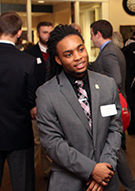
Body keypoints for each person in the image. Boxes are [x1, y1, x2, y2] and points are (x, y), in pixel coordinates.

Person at [36, 24, 123, 191]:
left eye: (80, 49)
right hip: (68, 181)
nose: (78, 57)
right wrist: (91, 169)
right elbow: (52, 143)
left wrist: (105, 166)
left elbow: (115, 128)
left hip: (107, 177)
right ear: (58, 60)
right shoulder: (47, 94)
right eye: (68, 54)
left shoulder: (107, 84)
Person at [89, 19, 135, 191]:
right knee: (114, 149)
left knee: (113, 149)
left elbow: (115, 80)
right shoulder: (112, 49)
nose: (91, 39)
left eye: (92, 35)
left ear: (98, 34)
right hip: (115, 105)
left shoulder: (108, 52)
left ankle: (129, 187)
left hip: (111, 106)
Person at [0, 12, 36, 191]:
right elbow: (32, 100)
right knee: (23, 185)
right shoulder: (27, 61)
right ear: (19, 32)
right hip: (19, 132)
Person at [24, 21, 53, 178]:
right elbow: (27, 82)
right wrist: (32, 105)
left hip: (53, 103)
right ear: (37, 34)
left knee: (51, 139)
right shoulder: (29, 53)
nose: (48, 36)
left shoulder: (57, 51)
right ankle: (30, 173)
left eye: (50, 32)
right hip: (36, 104)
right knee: (36, 141)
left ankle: (49, 171)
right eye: (44, 32)